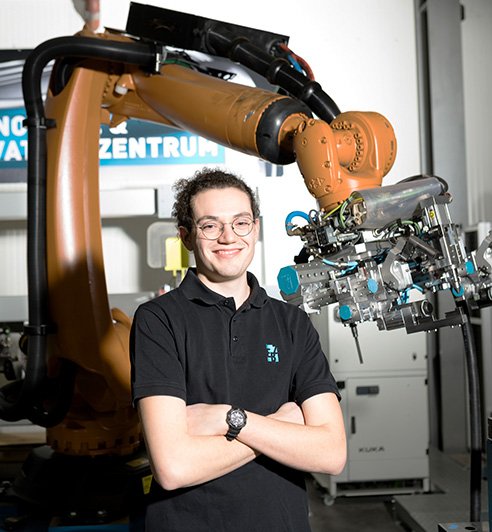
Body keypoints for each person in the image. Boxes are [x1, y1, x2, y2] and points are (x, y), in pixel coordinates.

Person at [130, 167, 346, 531]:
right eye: (210, 225)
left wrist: (229, 419)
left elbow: (331, 454)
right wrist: (279, 427)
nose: (228, 237)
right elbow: (173, 468)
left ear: (256, 229)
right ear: (186, 237)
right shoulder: (158, 321)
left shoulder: (292, 323)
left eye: (241, 222)